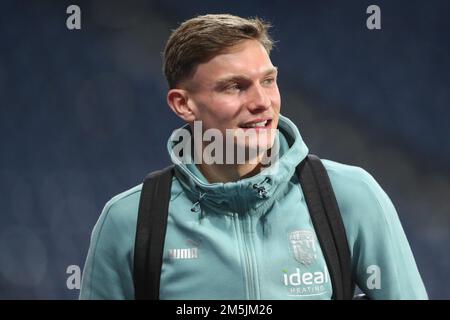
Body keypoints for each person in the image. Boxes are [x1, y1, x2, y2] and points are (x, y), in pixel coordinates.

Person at [79, 14, 428, 300]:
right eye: (235, 86)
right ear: (183, 104)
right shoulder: (129, 221)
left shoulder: (349, 196)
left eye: (269, 81)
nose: (262, 102)